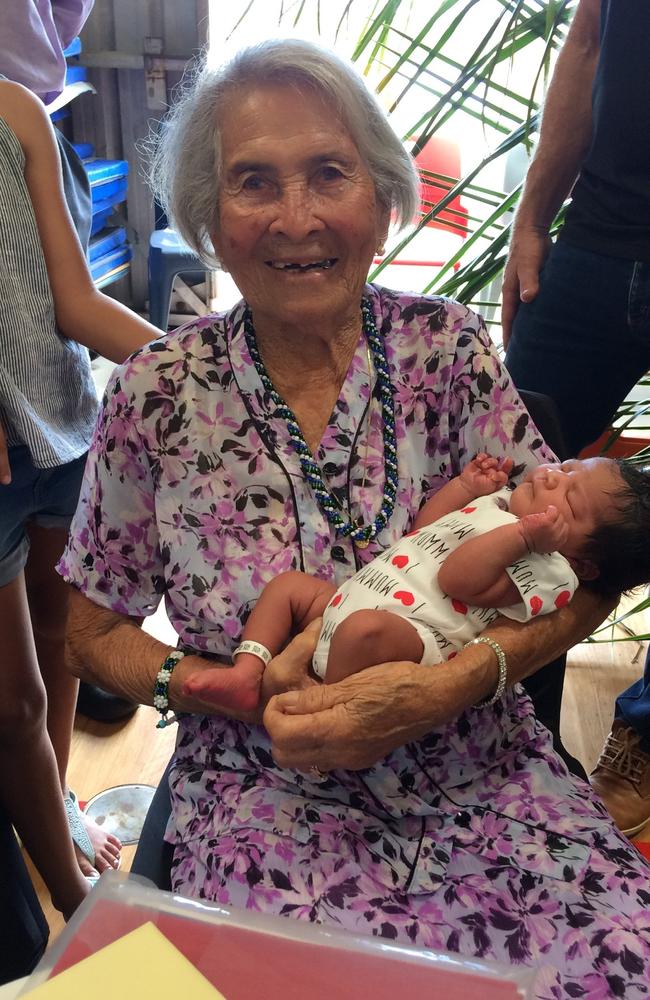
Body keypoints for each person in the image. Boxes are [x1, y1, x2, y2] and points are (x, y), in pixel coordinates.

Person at [59, 40, 650, 996]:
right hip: (266, 781)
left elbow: (583, 575)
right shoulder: (156, 392)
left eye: (329, 173)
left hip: (480, 770)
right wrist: (203, 683)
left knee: (623, 960)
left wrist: (442, 691)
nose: (296, 219)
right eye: (254, 182)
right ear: (210, 217)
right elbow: (88, 630)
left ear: (381, 196)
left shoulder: (450, 351)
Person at [0, 76, 158, 927]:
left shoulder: (15, 111)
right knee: (13, 700)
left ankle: (52, 802)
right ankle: (66, 893)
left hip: (62, 428)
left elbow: (73, 301)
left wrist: (205, 365)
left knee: (65, 646)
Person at [502, 0, 650, 837]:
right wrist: (531, 217)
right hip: (594, 243)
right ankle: (517, 738)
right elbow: (590, 36)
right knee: (517, 476)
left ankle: (647, 741)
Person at [186, 453, 650, 708]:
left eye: (569, 498)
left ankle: (325, 704)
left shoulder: (549, 571)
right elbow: (424, 531)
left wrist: (525, 536)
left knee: (362, 632)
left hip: (408, 633)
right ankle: (247, 673)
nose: (550, 476)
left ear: (584, 564)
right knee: (289, 587)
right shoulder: (505, 506)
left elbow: (459, 578)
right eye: (566, 468)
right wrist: (464, 491)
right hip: (357, 596)